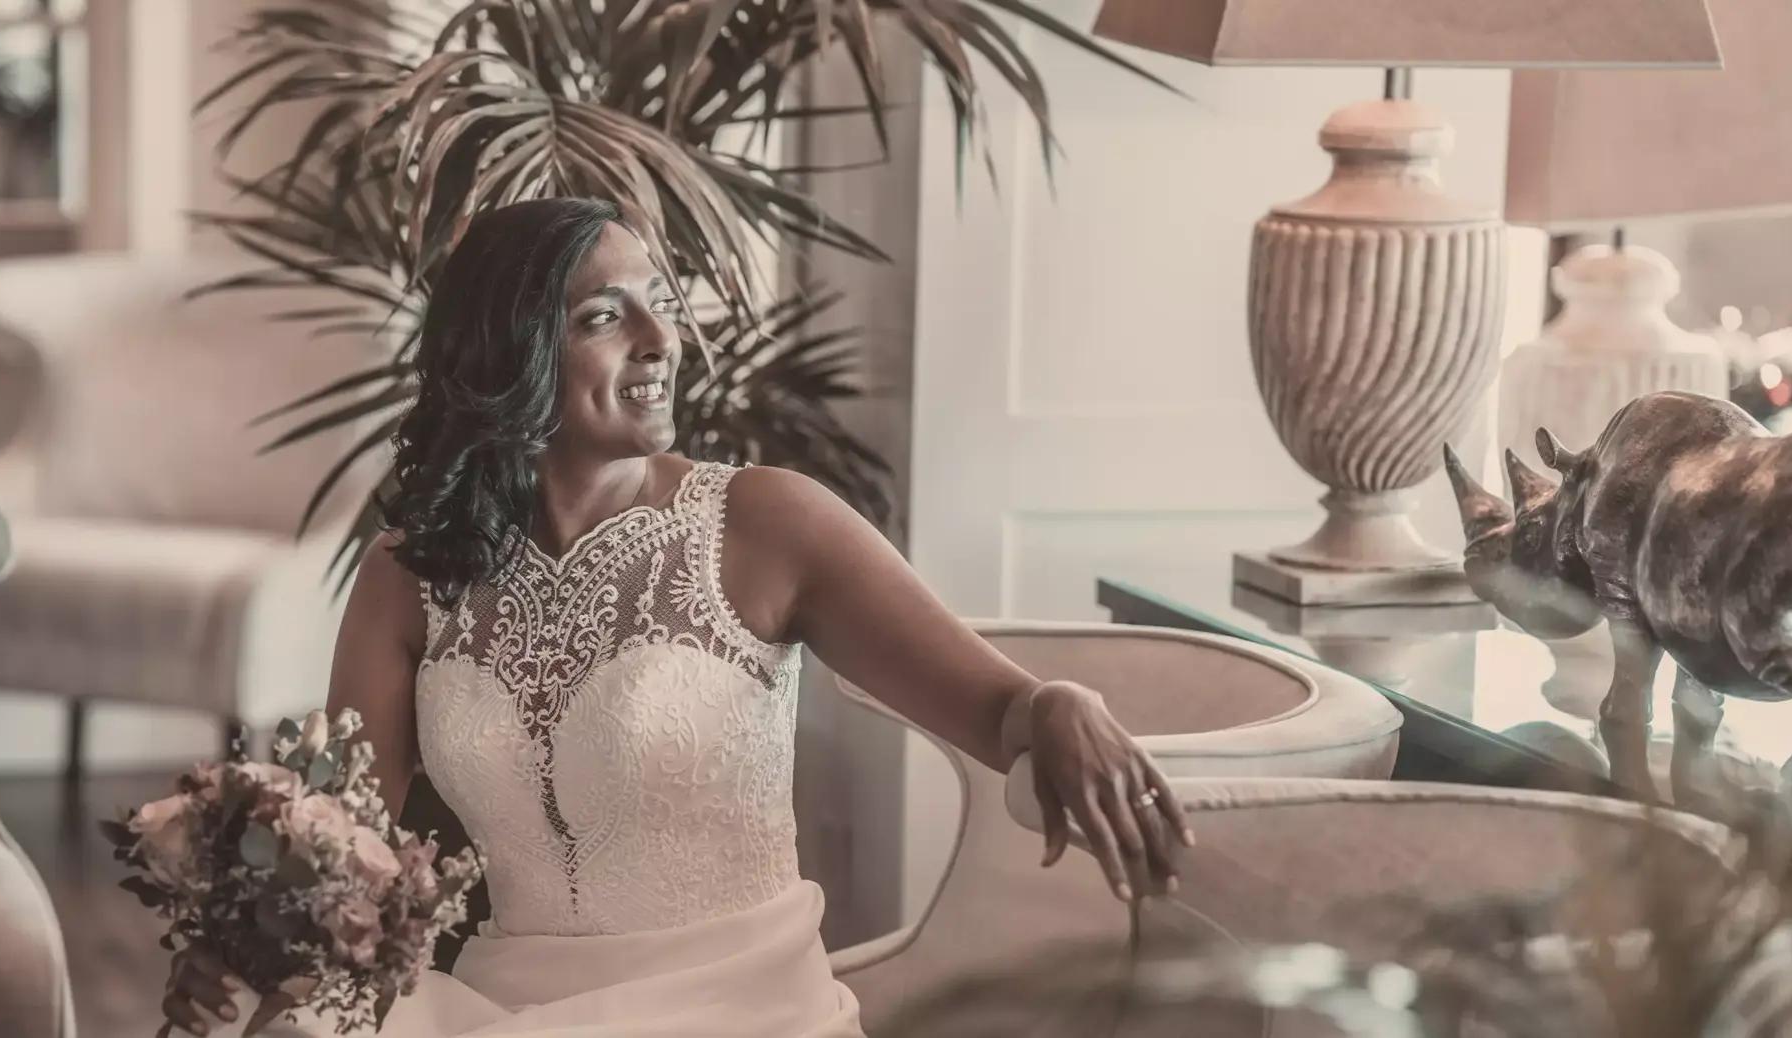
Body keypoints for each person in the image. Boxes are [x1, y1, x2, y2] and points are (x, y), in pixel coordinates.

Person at [159, 196, 1191, 1037]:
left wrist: (1057, 703)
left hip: (740, 1010)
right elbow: (349, 854)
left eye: (662, 304)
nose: (664, 341)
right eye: (606, 315)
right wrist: (242, 944)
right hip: (497, 1008)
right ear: (507, 350)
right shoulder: (408, 572)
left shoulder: (769, 523)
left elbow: (999, 708)